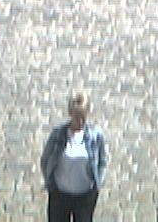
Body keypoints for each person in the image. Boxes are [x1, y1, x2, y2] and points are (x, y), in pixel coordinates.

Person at [38, 91, 108, 221]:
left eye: (83, 116)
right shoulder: (58, 134)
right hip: (59, 194)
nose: (80, 121)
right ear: (70, 113)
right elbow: (45, 160)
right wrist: (49, 181)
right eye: (77, 116)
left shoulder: (96, 135)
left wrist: (98, 183)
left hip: (85, 196)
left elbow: (102, 161)